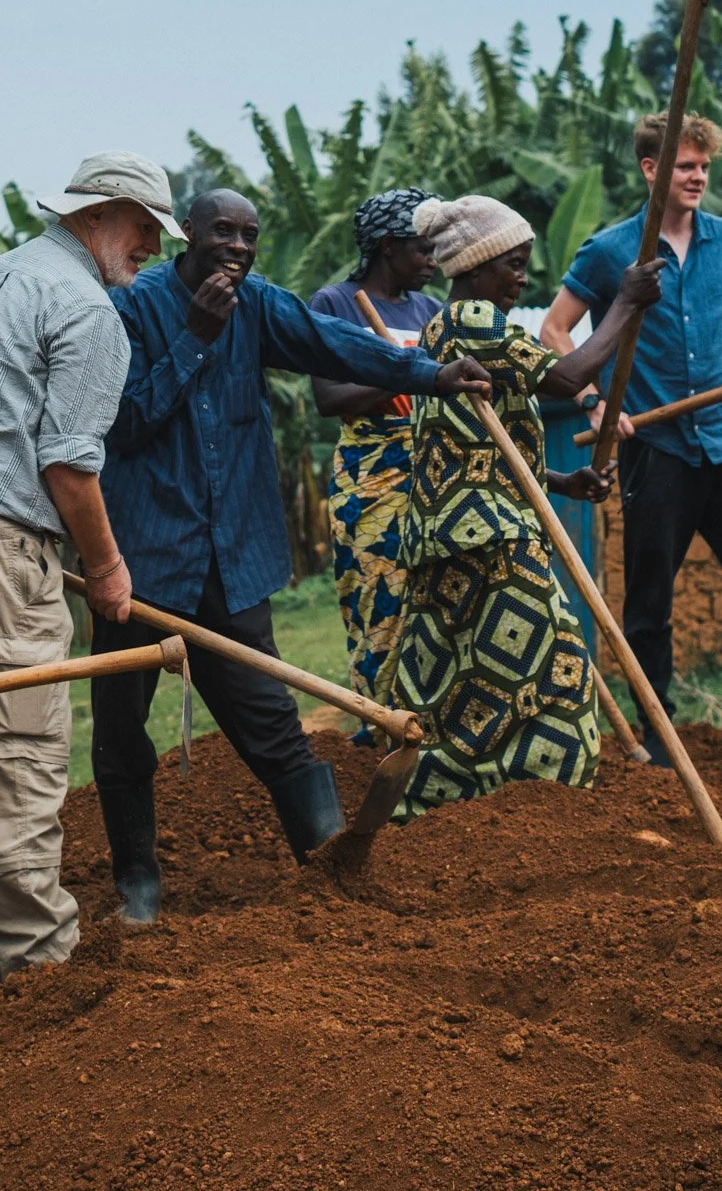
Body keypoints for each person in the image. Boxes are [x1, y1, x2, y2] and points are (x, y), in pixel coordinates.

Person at [90, 188, 493, 922]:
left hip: (234, 555)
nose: (238, 248)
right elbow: (127, 422)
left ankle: (331, 862)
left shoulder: (263, 303)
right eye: (223, 232)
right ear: (186, 233)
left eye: (250, 235)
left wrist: (430, 376)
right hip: (143, 560)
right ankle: (138, 885)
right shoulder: (131, 307)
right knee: (121, 728)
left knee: (269, 716)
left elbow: (333, 345)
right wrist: (197, 335)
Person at [0, 151, 175, 978]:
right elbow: (69, 468)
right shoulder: (89, 313)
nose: (152, 244)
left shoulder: (1, 275)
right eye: (144, 227)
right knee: (18, 753)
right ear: (97, 216)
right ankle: (41, 964)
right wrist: (110, 570)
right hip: (1, 552)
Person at [540, 112, 722, 759]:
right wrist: (593, 402)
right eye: (686, 165)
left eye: (704, 166)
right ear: (651, 170)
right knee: (650, 604)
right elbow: (555, 330)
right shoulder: (614, 251)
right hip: (657, 450)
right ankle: (660, 734)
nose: (699, 176)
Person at [393, 196, 663, 819]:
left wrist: (563, 483)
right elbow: (566, 379)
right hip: (488, 538)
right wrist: (622, 303)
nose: (522, 278)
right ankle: (552, 806)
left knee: (467, 680)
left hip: (446, 534)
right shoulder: (475, 320)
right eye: (512, 264)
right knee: (561, 664)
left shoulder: (442, 325)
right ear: (478, 265)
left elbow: (481, 446)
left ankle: (456, 801)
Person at [309, 187, 442, 742]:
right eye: (423, 249)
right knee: (377, 607)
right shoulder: (336, 305)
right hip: (370, 478)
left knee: (432, 610)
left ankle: (430, 736)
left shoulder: (433, 312)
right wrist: (401, 371)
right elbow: (328, 398)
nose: (433, 261)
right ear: (389, 247)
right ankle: (380, 736)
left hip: (432, 476)